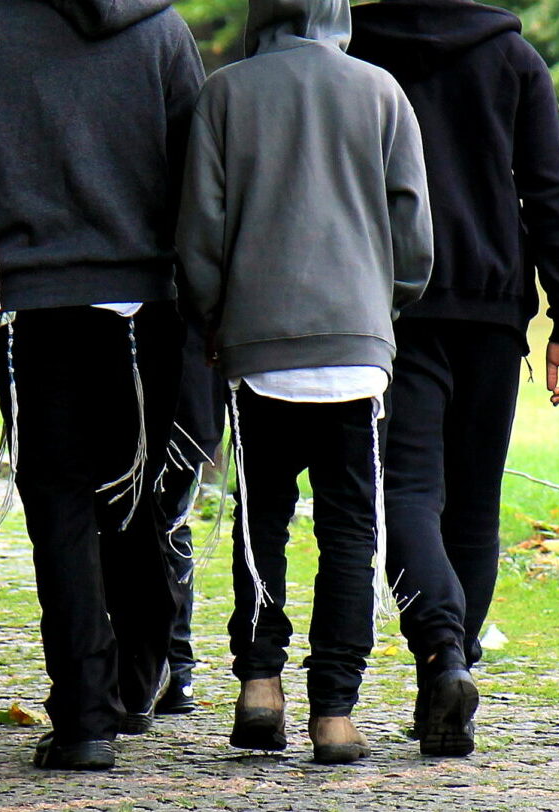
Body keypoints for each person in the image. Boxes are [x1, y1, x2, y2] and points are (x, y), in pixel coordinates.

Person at [0, 0, 202, 771]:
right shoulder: (164, 33)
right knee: (136, 499)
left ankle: (84, 715)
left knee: (58, 510)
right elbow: (197, 174)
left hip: (28, 309)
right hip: (143, 304)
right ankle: (136, 681)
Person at [177, 0, 434, 764]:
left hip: (256, 345)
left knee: (262, 522)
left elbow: (202, 224)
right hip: (356, 346)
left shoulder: (227, 91)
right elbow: (412, 223)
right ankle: (335, 711)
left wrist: (216, 315)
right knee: (351, 532)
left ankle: (259, 683)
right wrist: (385, 303)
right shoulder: (381, 90)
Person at [347, 0, 559, 757]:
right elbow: (549, 190)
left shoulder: (357, 52)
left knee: (410, 490)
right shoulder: (515, 60)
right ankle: (449, 672)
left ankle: (442, 653)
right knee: (475, 505)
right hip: (493, 310)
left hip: (392, 302)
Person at [154, 321, 228, 716]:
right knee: (169, 527)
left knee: (160, 526)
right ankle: (175, 669)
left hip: (184, 383)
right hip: (193, 387)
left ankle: (166, 667)